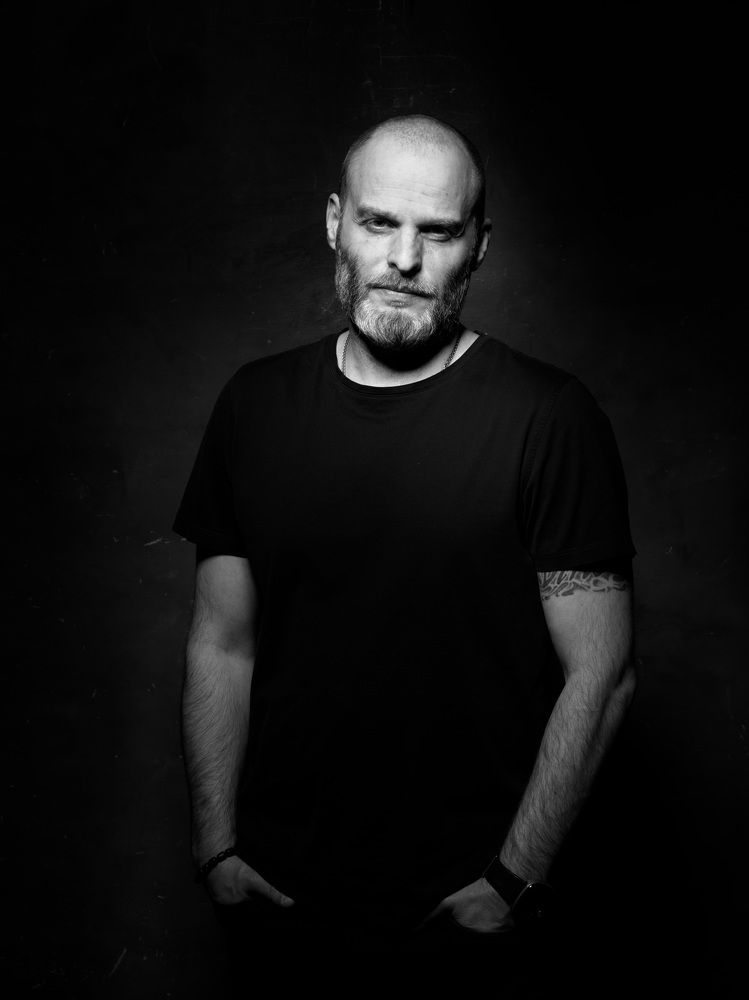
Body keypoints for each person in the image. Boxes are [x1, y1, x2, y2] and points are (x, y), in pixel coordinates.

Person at [173, 114, 636, 987]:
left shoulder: (549, 418)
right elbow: (221, 642)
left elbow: (602, 675)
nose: (404, 258)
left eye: (439, 231)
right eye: (378, 221)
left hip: (466, 907)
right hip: (277, 899)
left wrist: (513, 880)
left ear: (479, 245)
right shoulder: (254, 405)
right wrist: (215, 848)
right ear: (334, 223)